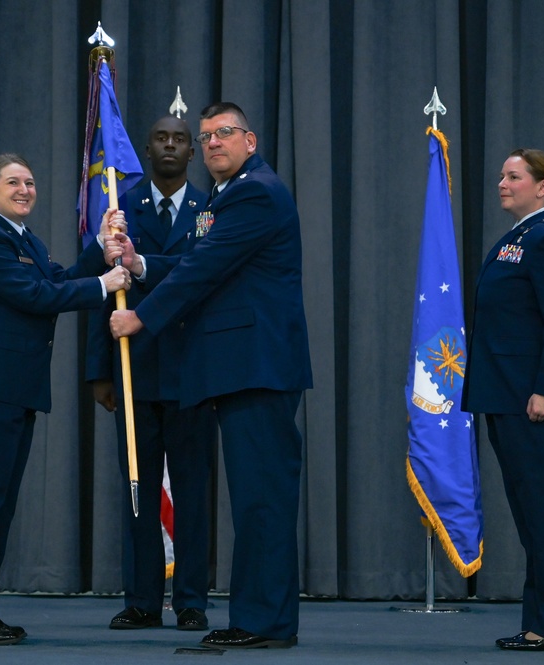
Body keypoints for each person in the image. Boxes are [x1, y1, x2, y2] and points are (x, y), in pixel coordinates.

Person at [108, 102, 312, 650]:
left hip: (257, 368)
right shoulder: (230, 195)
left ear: (250, 139)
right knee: (254, 501)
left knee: (262, 501)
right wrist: (141, 261)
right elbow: (199, 258)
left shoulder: (255, 191)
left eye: (224, 133)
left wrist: (140, 316)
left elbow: (202, 268)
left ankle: (262, 622)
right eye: (208, 136)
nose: (214, 143)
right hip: (242, 369)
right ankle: (261, 618)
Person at [0, 153, 130, 645]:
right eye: (13, 182)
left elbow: (57, 279)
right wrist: (105, 284)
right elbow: (35, 296)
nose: (24, 189)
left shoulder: (24, 240)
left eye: (30, 181)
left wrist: (104, 245)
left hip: (10, 392)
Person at [86, 114, 217, 631]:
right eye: (161, 138)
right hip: (134, 370)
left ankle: (191, 600)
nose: (170, 145)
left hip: (192, 372)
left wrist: (144, 265)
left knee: (191, 491)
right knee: (138, 488)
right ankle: (141, 599)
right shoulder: (123, 208)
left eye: (180, 140)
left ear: (193, 152)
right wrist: (101, 371)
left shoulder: (211, 210)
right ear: (146, 149)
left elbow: (200, 277)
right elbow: (104, 290)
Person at [462, 148, 544, 651]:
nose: (502, 183)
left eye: (513, 176)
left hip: (539, 403)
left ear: (543, 186)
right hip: (509, 398)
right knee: (535, 515)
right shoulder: (517, 238)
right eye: (501, 176)